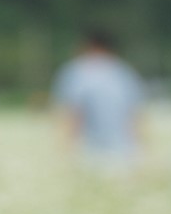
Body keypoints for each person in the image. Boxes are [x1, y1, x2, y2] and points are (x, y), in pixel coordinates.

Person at [52, 28, 145, 171]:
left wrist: (65, 155)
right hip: (124, 151)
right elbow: (135, 117)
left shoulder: (77, 72)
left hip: (89, 151)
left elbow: (73, 115)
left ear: (88, 45)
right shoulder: (124, 72)